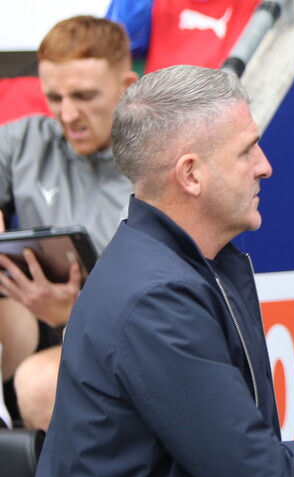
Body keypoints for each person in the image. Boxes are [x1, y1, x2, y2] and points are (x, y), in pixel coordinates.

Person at [30, 64, 294, 477]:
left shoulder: (174, 267)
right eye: (246, 149)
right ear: (191, 174)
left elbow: (198, 463)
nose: (265, 165)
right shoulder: (158, 297)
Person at [0, 15, 138, 430]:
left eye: (83, 95)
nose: (68, 114)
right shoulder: (26, 141)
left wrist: (72, 314)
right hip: (32, 318)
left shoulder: (155, 165)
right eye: (54, 97)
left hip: (124, 338)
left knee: (41, 383)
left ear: (127, 88)